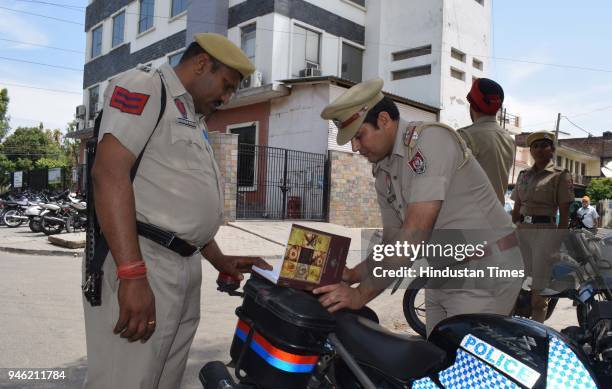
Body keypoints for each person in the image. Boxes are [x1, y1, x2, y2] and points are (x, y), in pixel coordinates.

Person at [84, 33, 270, 389]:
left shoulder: (191, 116)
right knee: (124, 380)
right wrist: (132, 275)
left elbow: (175, 209)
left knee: (162, 380)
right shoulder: (147, 87)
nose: (227, 97)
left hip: (183, 267)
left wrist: (220, 259)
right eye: (227, 85)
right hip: (143, 263)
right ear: (202, 64)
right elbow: (108, 174)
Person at [313, 78, 522, 336]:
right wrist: (353, 274)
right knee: (437, 356)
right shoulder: (384, 170)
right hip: (444, 270)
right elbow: (392, 241)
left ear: (385, 121)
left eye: (358, 136)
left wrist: (359, 295)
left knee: (462, 365)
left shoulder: (430, 141)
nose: (355, 147)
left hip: (486, 268)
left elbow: (413, 234)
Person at [511, 131, 573, 322]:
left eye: (543, 145)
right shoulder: (523, 175)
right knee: (511, 285)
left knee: (538, 293)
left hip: (544, 234)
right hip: (521, 232)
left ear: (552, 149)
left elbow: (564, 214)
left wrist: (556, 245)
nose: (538, 150)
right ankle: (506, 331)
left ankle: (536, 334)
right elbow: (517, 207)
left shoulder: (560, 176)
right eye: (535, 146)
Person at [457, 78, 514, 204]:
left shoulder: (464, 136)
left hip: (469, 216)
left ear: (472, 105)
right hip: (497, 216)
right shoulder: (509, 140)